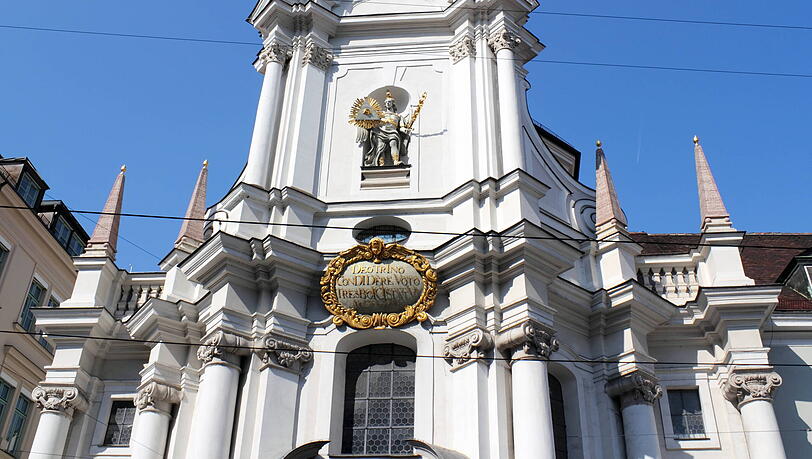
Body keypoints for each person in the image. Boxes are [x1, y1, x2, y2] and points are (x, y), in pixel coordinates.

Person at [357, 90, 413, 167]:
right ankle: (381, 164)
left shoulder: (398, 116)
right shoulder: (381, 114)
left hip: (393, 132)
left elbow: (401, 127)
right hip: (380, 132)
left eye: (389, 102)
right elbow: (371, 120)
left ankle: (396, 161)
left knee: (393, 143)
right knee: (380, 147)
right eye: (386, 102)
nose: (388, 103)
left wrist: (405, 130)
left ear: (393, 104)